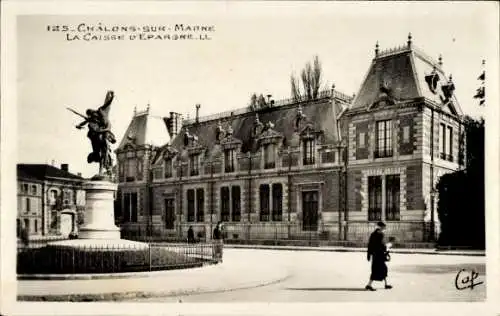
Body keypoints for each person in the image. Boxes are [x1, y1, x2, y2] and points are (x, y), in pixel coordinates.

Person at [365, 221, 392, 291]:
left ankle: (386, 284)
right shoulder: (380, 234)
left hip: (375, 254)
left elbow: (370, 245)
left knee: (383, 269)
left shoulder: (373, 234)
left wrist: (369, 254)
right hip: (378, 255)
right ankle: (369, 285)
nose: (385, 228)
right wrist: (387, 247)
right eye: (384, 227)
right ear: (381, 227)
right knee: (377, 270)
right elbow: (381, 245)